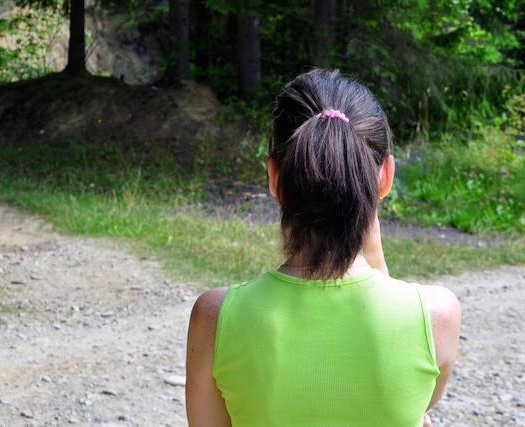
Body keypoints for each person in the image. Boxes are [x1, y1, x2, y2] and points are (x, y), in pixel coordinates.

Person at [185, 69, 462, 427]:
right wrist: (375, 256)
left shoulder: (215, 317)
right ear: (386, 176)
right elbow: (416, 406)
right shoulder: (437, 316)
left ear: (274, 177)